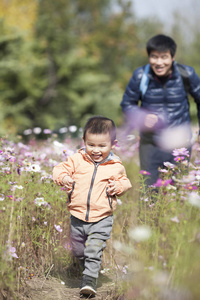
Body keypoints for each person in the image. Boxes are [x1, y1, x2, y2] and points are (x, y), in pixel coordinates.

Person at [53, 116, 132, 296]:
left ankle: (89, 281)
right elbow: (59, 169)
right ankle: (86, 266)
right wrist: (64, 177)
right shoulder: (77, 159)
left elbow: (125, 182)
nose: (96, 150)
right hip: (77, 215)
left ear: (113, 144)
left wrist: (117, 187)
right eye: (91, 145)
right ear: (84, 142)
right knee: (78, 249)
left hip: (103, 217)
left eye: (102, 146)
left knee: (94, 248)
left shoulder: (115, 165)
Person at [121, 34, 200, 187]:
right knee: (149, 191)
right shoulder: (140, 76)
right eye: (154, 57)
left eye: (164, 57)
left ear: (173, 57)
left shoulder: (187, 74)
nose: (159, 62)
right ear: (149, 56)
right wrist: (143, 118)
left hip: (179, 143)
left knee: (177, 192)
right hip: (151, 144)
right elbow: (127, 104)